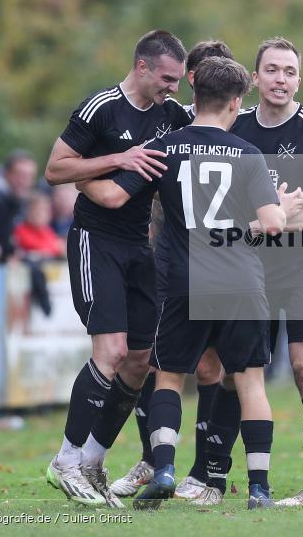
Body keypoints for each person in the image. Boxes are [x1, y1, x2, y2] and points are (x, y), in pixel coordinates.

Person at [78, 56, 288, 510]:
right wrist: (279, 208)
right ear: (236, 102)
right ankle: (259, 488)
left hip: (185, 281)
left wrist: (82, 181)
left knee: (169, 377)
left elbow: (113, 195)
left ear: (195, 95)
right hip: (242, 281)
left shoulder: (165, 147)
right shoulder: (249, 154)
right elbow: (272, 224)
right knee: (250, 382)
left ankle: (166, 469)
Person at [42, 30, 193, 507]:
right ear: (142, 66)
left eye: (178, 80)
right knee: (110, 351)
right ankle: (65, 460)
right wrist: (115, 160)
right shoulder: (101, 108)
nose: (172, 87)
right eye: (167, 78)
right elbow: (56, 169)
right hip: (96, 241)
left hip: (138, 246)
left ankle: (92, 461)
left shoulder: (171, 115)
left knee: (139, 360)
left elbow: (210, 124)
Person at [189, 37, 303, 507]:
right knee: (237, 371)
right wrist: (262, 222)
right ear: (254, 78)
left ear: (299, 80)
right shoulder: (235, 127)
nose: (281, 79)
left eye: (290, 72)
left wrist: (266, 222)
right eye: (272, 70)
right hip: (248, 270)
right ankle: (212, 479)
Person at [108, 39, 239, 499]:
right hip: (165, 256)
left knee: (210, 366)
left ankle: (204, 471)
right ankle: (153, 460)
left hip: (215, 261)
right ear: (192, 77)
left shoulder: (226, 126)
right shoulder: (170, 119)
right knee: (147, 358)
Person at [0, 150, 38, 260]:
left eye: (29, 176)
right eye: (20, 175)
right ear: (5, 174)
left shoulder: (23, 202)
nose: (24, 181)